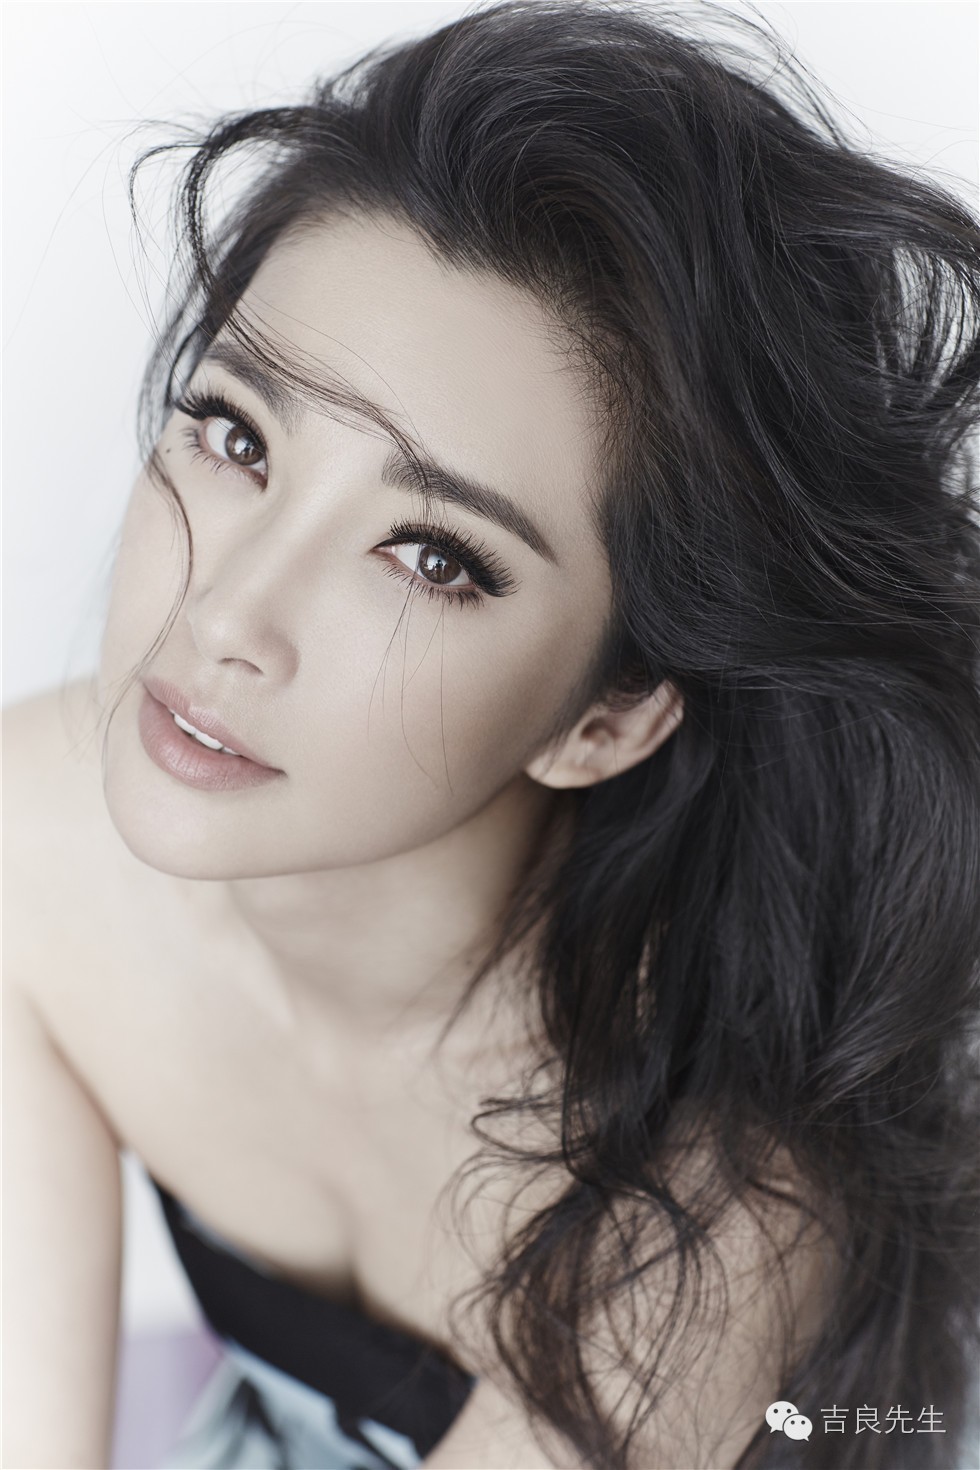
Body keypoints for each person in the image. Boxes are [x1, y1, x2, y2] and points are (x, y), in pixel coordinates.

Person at [4, 1, 979, 1467]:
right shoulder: (35, 843)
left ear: (609, 715)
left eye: (433, 556)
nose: (227, 616)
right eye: (237, 434)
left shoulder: (702, 1217)